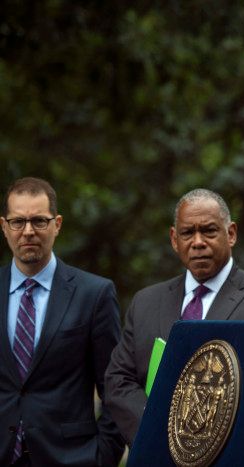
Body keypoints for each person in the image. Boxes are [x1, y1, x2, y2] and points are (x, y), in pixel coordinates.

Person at [105, 188, 244, 446]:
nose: (197, 242)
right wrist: (157, 433)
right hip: (157, 452)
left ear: (231, 234)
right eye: (187, 233)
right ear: (174, 239)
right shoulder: (145, 303)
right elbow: (119, 380)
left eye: (208, 231)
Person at [0, 177, 124, 466]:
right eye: (18, 222)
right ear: (4, 227)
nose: (28, 231)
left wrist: (101, 457)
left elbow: (114, 388)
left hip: (70, 458)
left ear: (57, 224)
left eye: (39, 221)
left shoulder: (94, 294)